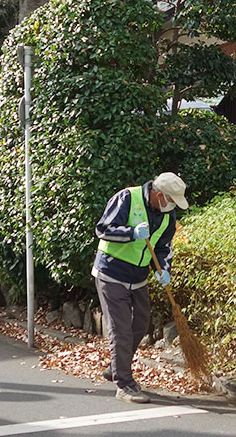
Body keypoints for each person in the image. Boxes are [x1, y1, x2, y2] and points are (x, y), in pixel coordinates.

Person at [92, 172, 189, 404]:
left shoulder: (168, 216)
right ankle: (124, 384)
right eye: (171, 200)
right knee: (121, 328)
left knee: (140, 324)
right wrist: (131, 233)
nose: (173, 206)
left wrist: (164, 269)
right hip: (111, 272)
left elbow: (164, 247)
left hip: (138, 276)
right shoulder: (127, 198)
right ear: (158, 194)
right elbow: (103, 229)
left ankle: (115, 368)